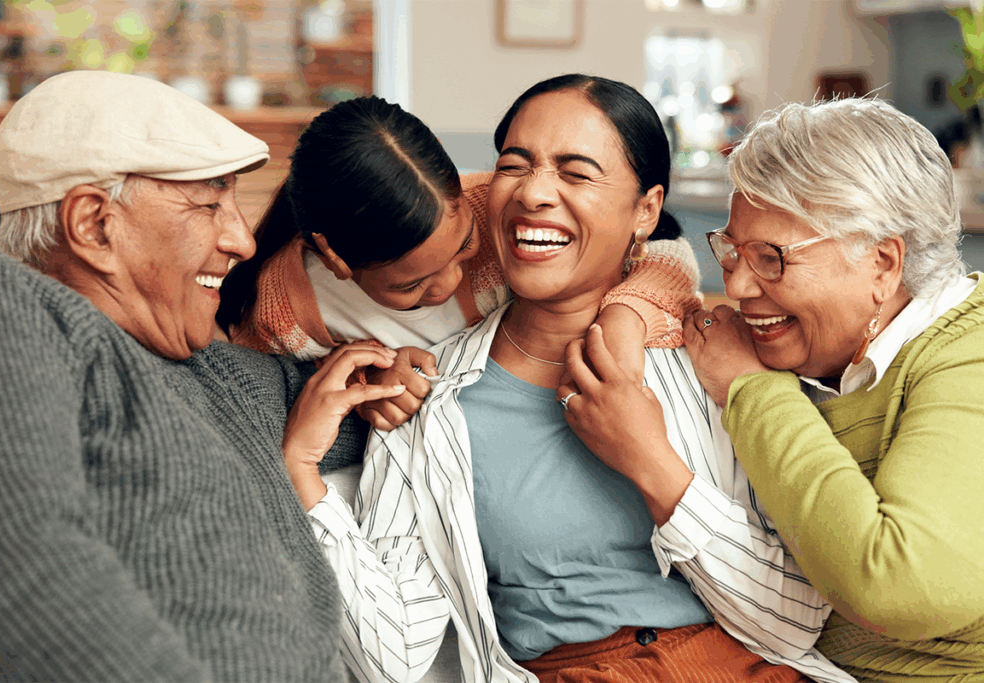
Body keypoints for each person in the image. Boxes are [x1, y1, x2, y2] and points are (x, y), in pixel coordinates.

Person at [282, 74, 855, 683]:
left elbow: (793, 622)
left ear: (645, 211)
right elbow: (390, 656)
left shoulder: (719, 361)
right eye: (514, 165)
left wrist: (652, 462)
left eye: (576, 172)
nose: (534, 194)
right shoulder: (424, 397)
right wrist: (299, 470)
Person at [0, 70, 399, 682]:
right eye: (209, 202)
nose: (242, 239)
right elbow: (13, 571)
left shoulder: (220, 373)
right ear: (94, 225)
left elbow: (401, 414)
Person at [683, 98, 984, 682]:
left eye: (771, 258)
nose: (737, 284)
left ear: (881, 262)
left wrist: (753, 391)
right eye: (732, 250)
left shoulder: (969, 353)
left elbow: (900, 584)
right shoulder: (819, 347)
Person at [216, 95, 702, 431]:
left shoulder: (498, 206)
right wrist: (368, 382)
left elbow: (662, 243)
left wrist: (628, 314)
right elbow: (293, 395)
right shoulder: (286, 311)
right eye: (412, 285)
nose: (449, 283)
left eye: (464, 245)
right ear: (335, 259)